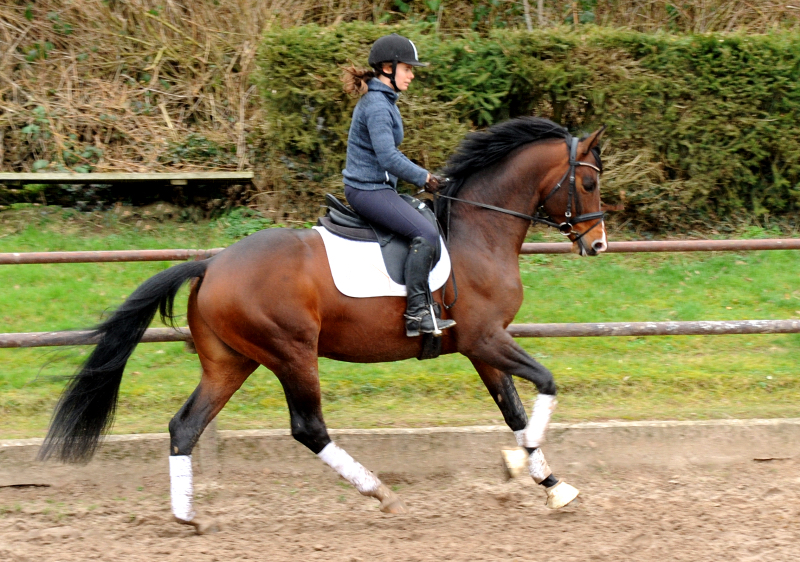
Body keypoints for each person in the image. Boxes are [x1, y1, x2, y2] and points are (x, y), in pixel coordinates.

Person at [341, 33, 455, 338]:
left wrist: (426, 176)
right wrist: (424, 178)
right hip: (368, 191)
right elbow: (388, 156)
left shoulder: (384, 100)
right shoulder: (378, 105)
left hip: (378, 188)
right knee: (426, 233)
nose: (412, 74)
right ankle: (417, 313)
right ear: (388, 68)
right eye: (407, 68)